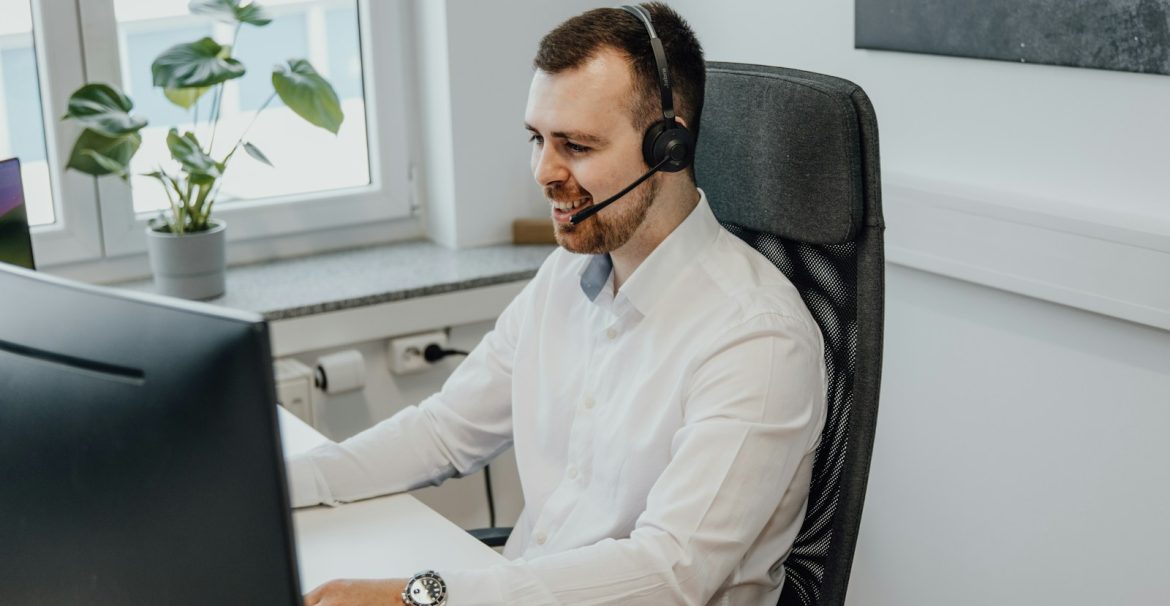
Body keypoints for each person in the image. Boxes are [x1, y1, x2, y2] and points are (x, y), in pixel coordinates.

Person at [293, 4, 826, 605]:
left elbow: (671, 572)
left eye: (575, 145)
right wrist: (277, 484)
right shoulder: (564, 276)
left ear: (668, 147)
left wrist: (416, 597)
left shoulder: (757, 339)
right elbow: (444, 432)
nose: (544, 172)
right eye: (537, 139)